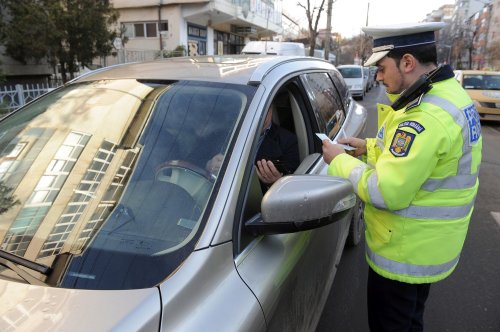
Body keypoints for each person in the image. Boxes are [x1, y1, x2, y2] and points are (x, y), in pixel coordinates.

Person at [321, 22, 482, 331]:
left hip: (404, 255)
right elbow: (421, 160)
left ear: (407, 62)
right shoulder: (448, 95)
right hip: (428, 249)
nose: (378, 77)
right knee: (410, 322)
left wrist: (339, 161)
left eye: (381, 68)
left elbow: (386, 192)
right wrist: (366, 148)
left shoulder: (426, 116)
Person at [206, 102, 300, 191]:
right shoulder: (223, 132)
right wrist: (209, 165)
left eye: (264, 110)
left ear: (271, 109)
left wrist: (276, 183)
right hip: (216, 192)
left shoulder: (289, 141)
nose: (260, 116)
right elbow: (195, 159)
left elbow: (293, 188)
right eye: (254, 110)